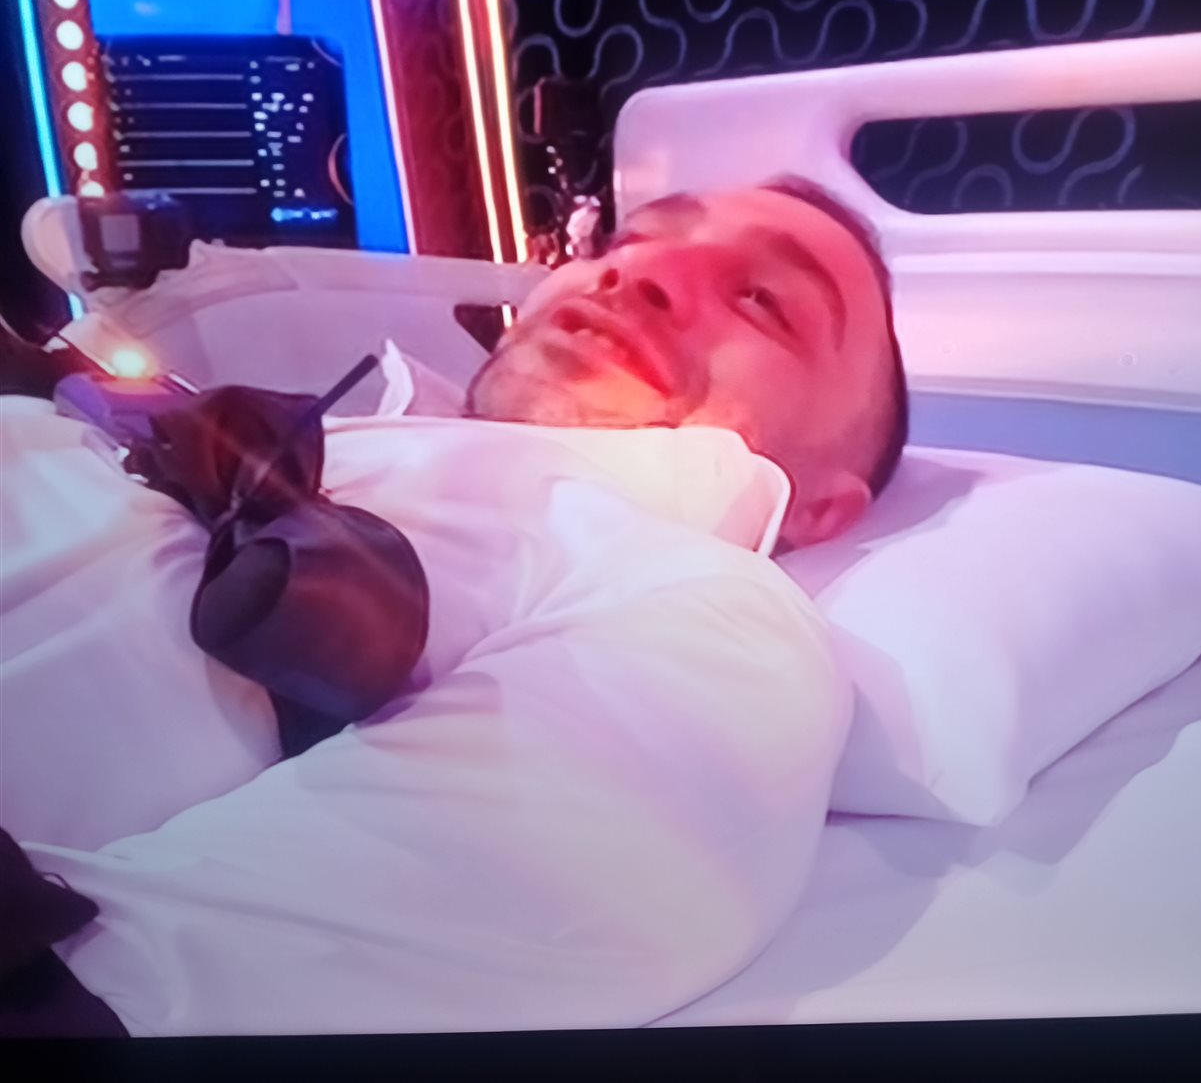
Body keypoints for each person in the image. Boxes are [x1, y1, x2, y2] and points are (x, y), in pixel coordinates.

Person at [0, 177, 908, 1036]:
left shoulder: (712, 620)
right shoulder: (317, 432)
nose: (640, 271)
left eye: (762, 300)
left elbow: (123, 999)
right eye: (627, 239)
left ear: (822, 504)